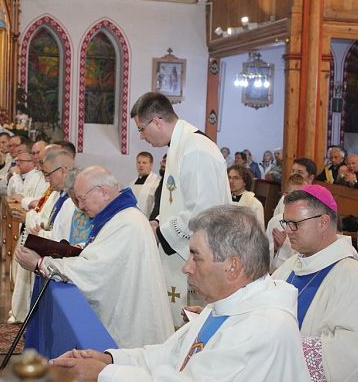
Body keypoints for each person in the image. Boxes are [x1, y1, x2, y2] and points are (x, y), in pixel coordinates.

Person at [50, 205, 311, 382]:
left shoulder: (263, 327)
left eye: (196, 257)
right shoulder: (223, 307)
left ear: (232, 266)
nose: (186, 268)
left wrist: (105, 373)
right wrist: (109, 357)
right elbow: (168, 355)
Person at [16, 166, 174, 348]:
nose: (81, 206)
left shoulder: (127, 222)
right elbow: (103, 250)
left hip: (132, 329)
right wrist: (80, 249)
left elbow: (94, 272)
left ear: (104, 192)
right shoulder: (120, 217)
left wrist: (40, 263)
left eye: (82, 199)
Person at [131, 92, 230, 327]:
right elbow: (176, 200)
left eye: (141, 130)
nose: (142, 137)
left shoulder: (195, 148)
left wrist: (161, 232)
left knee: (192, 327)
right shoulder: (179, 145)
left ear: (156, 120)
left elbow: (204, 212)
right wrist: (157, 221)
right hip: (186, 252)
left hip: (204, 257)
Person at [272, 185, 358, 381]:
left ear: (323, 222)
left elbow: (352, 351)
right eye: (286, 223)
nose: (288, 231)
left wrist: (283, 348)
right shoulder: (292, 265)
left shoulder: (351, 276)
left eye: (295, 224)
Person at [10, 149, 75, 323]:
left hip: (59, 267)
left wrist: (43, 233)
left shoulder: (72, 200)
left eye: (48, 174)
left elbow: (69, 240)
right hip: (47, 261)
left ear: (63, 171)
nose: (46, 179)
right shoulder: (59, 194)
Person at [267, 174, 308, 271]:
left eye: (303, 196)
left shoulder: (309, 222)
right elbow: (263, 256)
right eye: (294, 196)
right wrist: (276, 248)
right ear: (285, 197)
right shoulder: (275, 222)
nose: (299, 201)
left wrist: (285, 245)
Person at [128, 152, 161, 217]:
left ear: (151, 165)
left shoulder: (157, 183)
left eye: (144, 163)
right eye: (139, 162)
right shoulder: (131, 184)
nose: (141, 165)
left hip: (148, 220)